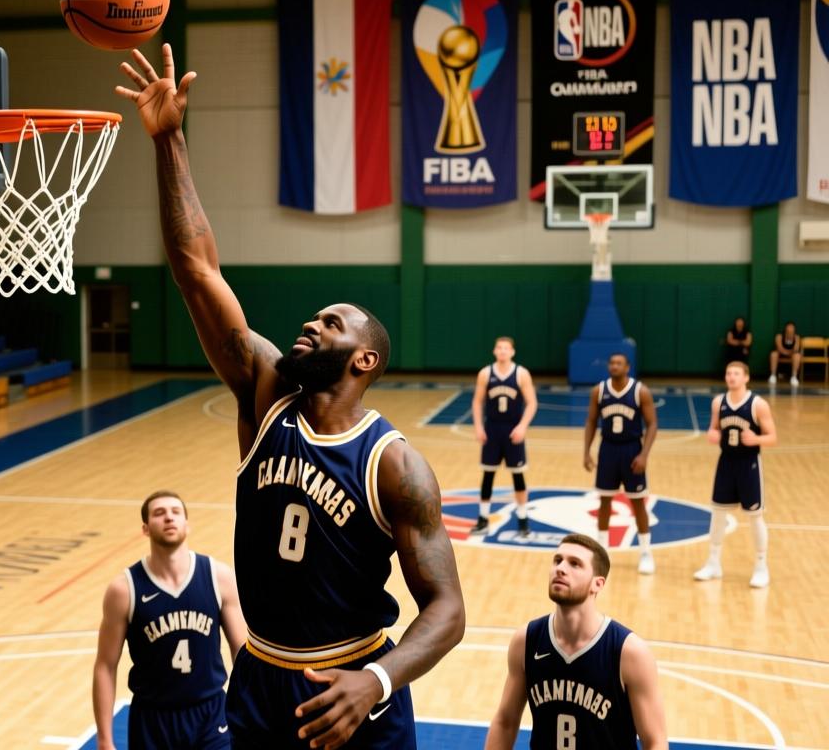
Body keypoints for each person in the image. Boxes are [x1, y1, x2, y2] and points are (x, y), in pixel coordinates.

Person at [116, 44, 466, 750]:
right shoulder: (266, 393)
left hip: (351, 686)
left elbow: (448, 610)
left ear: (364, 359)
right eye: (313, 317)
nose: (312, 323)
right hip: (260, 680)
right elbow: (196, 270)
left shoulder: (394, 465)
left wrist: (380, 679)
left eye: (332, 323)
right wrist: (168, 139)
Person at [92, 490, 246, 750]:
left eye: (176, 512)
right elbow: (105, 666)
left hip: (210, 714)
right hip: (153, 720)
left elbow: (241, 652)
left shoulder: (218, 577)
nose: (169, 518)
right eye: (159, 513)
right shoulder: (124, 589)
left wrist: (247, 714)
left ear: (187, 524)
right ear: (145, 529)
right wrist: (105, 739)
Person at [484, 534, 668, 750]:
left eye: (575, 564)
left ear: (597, 584)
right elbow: (505, 721)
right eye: (557, 560)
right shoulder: (527, 641)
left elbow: (655, 740)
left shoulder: (629, 652)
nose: (561, 568)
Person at [694, 361, 776, 588]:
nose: (731, 377)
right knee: (718, 513)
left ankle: (761, 566)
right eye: (728, 373)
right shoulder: (718, 402)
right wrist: (712, 433)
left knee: (755, 515)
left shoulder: (758, 405)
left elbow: (772, 437)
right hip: (726, 463)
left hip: (749, 464)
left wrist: (757, 439)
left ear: (746, 377)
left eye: (736, 373)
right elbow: (714, 428)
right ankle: (713, 563)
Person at [581, 352, 659, 574]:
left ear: (628, 367)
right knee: (604, 501)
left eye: (619, 363)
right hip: (608, 449)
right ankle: (602, 552)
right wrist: (587, 452)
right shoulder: (599, 390)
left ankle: (645, 552)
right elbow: (591, 421)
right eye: (611, 362)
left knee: (637, 502)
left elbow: (652, 424)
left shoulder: (640, 391)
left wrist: (644, 454)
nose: (614, 366)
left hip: (631, 449)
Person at [470, 337, 538, 538]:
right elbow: (477, 402)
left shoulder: (521, 373)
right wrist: (478, 427)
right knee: (488, 476)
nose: (502, 351)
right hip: (492, 429)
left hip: (512, 430)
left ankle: (523, 520)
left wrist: (523, 427)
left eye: (506, 348)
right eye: (499, 347)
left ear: (512, 352)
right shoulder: (485, 373)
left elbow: (532, 403)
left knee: (518, 476)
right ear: (494, 351)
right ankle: (483, 520)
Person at [767, 321, 801, 386]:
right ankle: (773, 376)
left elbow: (796, 349)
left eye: (792, 329)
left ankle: (794, 377)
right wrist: (788, 352)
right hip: (781, 354)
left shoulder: (797, 337)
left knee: (797, 356)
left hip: (792, 355)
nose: (790, 331)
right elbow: (780, 348)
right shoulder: (779, 336)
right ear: (785, 329)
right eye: (789, 329)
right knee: (773, 354)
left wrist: (789, 352)